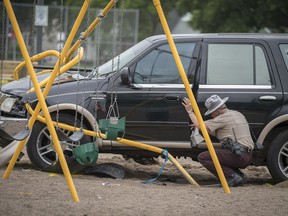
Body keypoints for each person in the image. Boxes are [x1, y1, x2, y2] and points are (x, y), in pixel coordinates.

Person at [182, 95, 254, 187]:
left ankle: (231, 176)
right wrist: (203, 128)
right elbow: (217, 133)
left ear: (217, 110)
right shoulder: (236, 114)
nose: (212, 116)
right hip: (247, 155)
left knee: (203, 157)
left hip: (239, 156)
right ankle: (239, 176)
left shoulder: (223, 118)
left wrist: (190, 111)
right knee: (222, 155)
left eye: (212, 112)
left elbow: (199, 125)